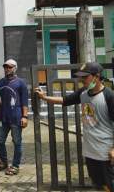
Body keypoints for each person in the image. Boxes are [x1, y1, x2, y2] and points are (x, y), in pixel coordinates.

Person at [35, 62, 114, 192]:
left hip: (105, 153)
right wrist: (44, 97)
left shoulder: (109, 96)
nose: (82, 80)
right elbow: (65, 100)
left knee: (110, 185)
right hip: (90, 151)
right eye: (81, 77)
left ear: (96, 76)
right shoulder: (84, 93)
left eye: (85, 77)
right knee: (98, 185)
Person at [0, 59, 29, 176]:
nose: (7, 69)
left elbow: (25, 101)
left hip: (16, 118)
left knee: (17, 142)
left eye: (10, 67)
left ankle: (15, 165)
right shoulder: (0, 82)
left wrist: (25, 116)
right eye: (6, 67)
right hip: (3, 117)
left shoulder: (21, 83)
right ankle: (4, 161)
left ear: (15, 68)